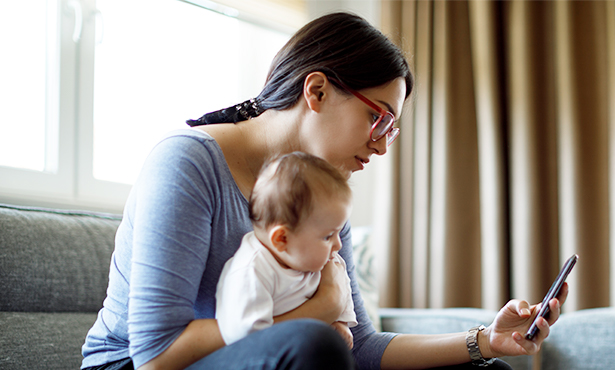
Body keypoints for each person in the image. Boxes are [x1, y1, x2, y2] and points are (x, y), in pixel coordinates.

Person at [81, 11, 568, 370]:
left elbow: (361, 347)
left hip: (268, 357)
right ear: (316, 92)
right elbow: (154, 355)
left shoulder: (323, 192)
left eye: (392, 129)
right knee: (314, 346)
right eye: (378, 117)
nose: (381, 145)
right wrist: (315, 310)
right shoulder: (187, 163)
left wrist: (483, 341)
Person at [215, 152, 357, 348]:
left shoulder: (326, 260)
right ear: (282, 239)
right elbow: (248, 336)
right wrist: (322, 314)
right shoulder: (253, 270)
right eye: (327, 236)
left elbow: (343, 291)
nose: (338, 245)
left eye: (338, 233)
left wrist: (341, 322)